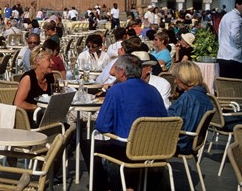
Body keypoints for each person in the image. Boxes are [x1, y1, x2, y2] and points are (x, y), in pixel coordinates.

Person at [84, 55, 167, 190]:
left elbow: (102, 126)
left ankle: (102, 187)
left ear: (121, 72)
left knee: (89, 144)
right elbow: (163, 118)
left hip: (129, 150)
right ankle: (130, 185)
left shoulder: (116, 91)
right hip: (155, 149)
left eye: (116, 69)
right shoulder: (153, 90)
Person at [167, 61, 214, 154]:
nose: (175, 81)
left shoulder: (187, 98)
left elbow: (170, 122)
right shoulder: (205, 98)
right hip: (192, 142)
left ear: (184, 78)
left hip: (180, 143)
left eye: (176, 78)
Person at [14, 47, 55, 127]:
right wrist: (38, 108)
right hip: (28, 120)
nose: (52, 63)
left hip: (47, 118)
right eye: (49, 60)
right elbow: (18, 103)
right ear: (38, 61)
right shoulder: (28, 78)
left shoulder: (50, 77)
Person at [217, 0, 242, 78]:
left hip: (222, 56)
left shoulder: (226, 16)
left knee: (225, 84)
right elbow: (235, 34)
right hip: (233, 57)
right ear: (237, 5)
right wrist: (240, 45)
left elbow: (219, 33)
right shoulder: (237, 17)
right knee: (235, 85)